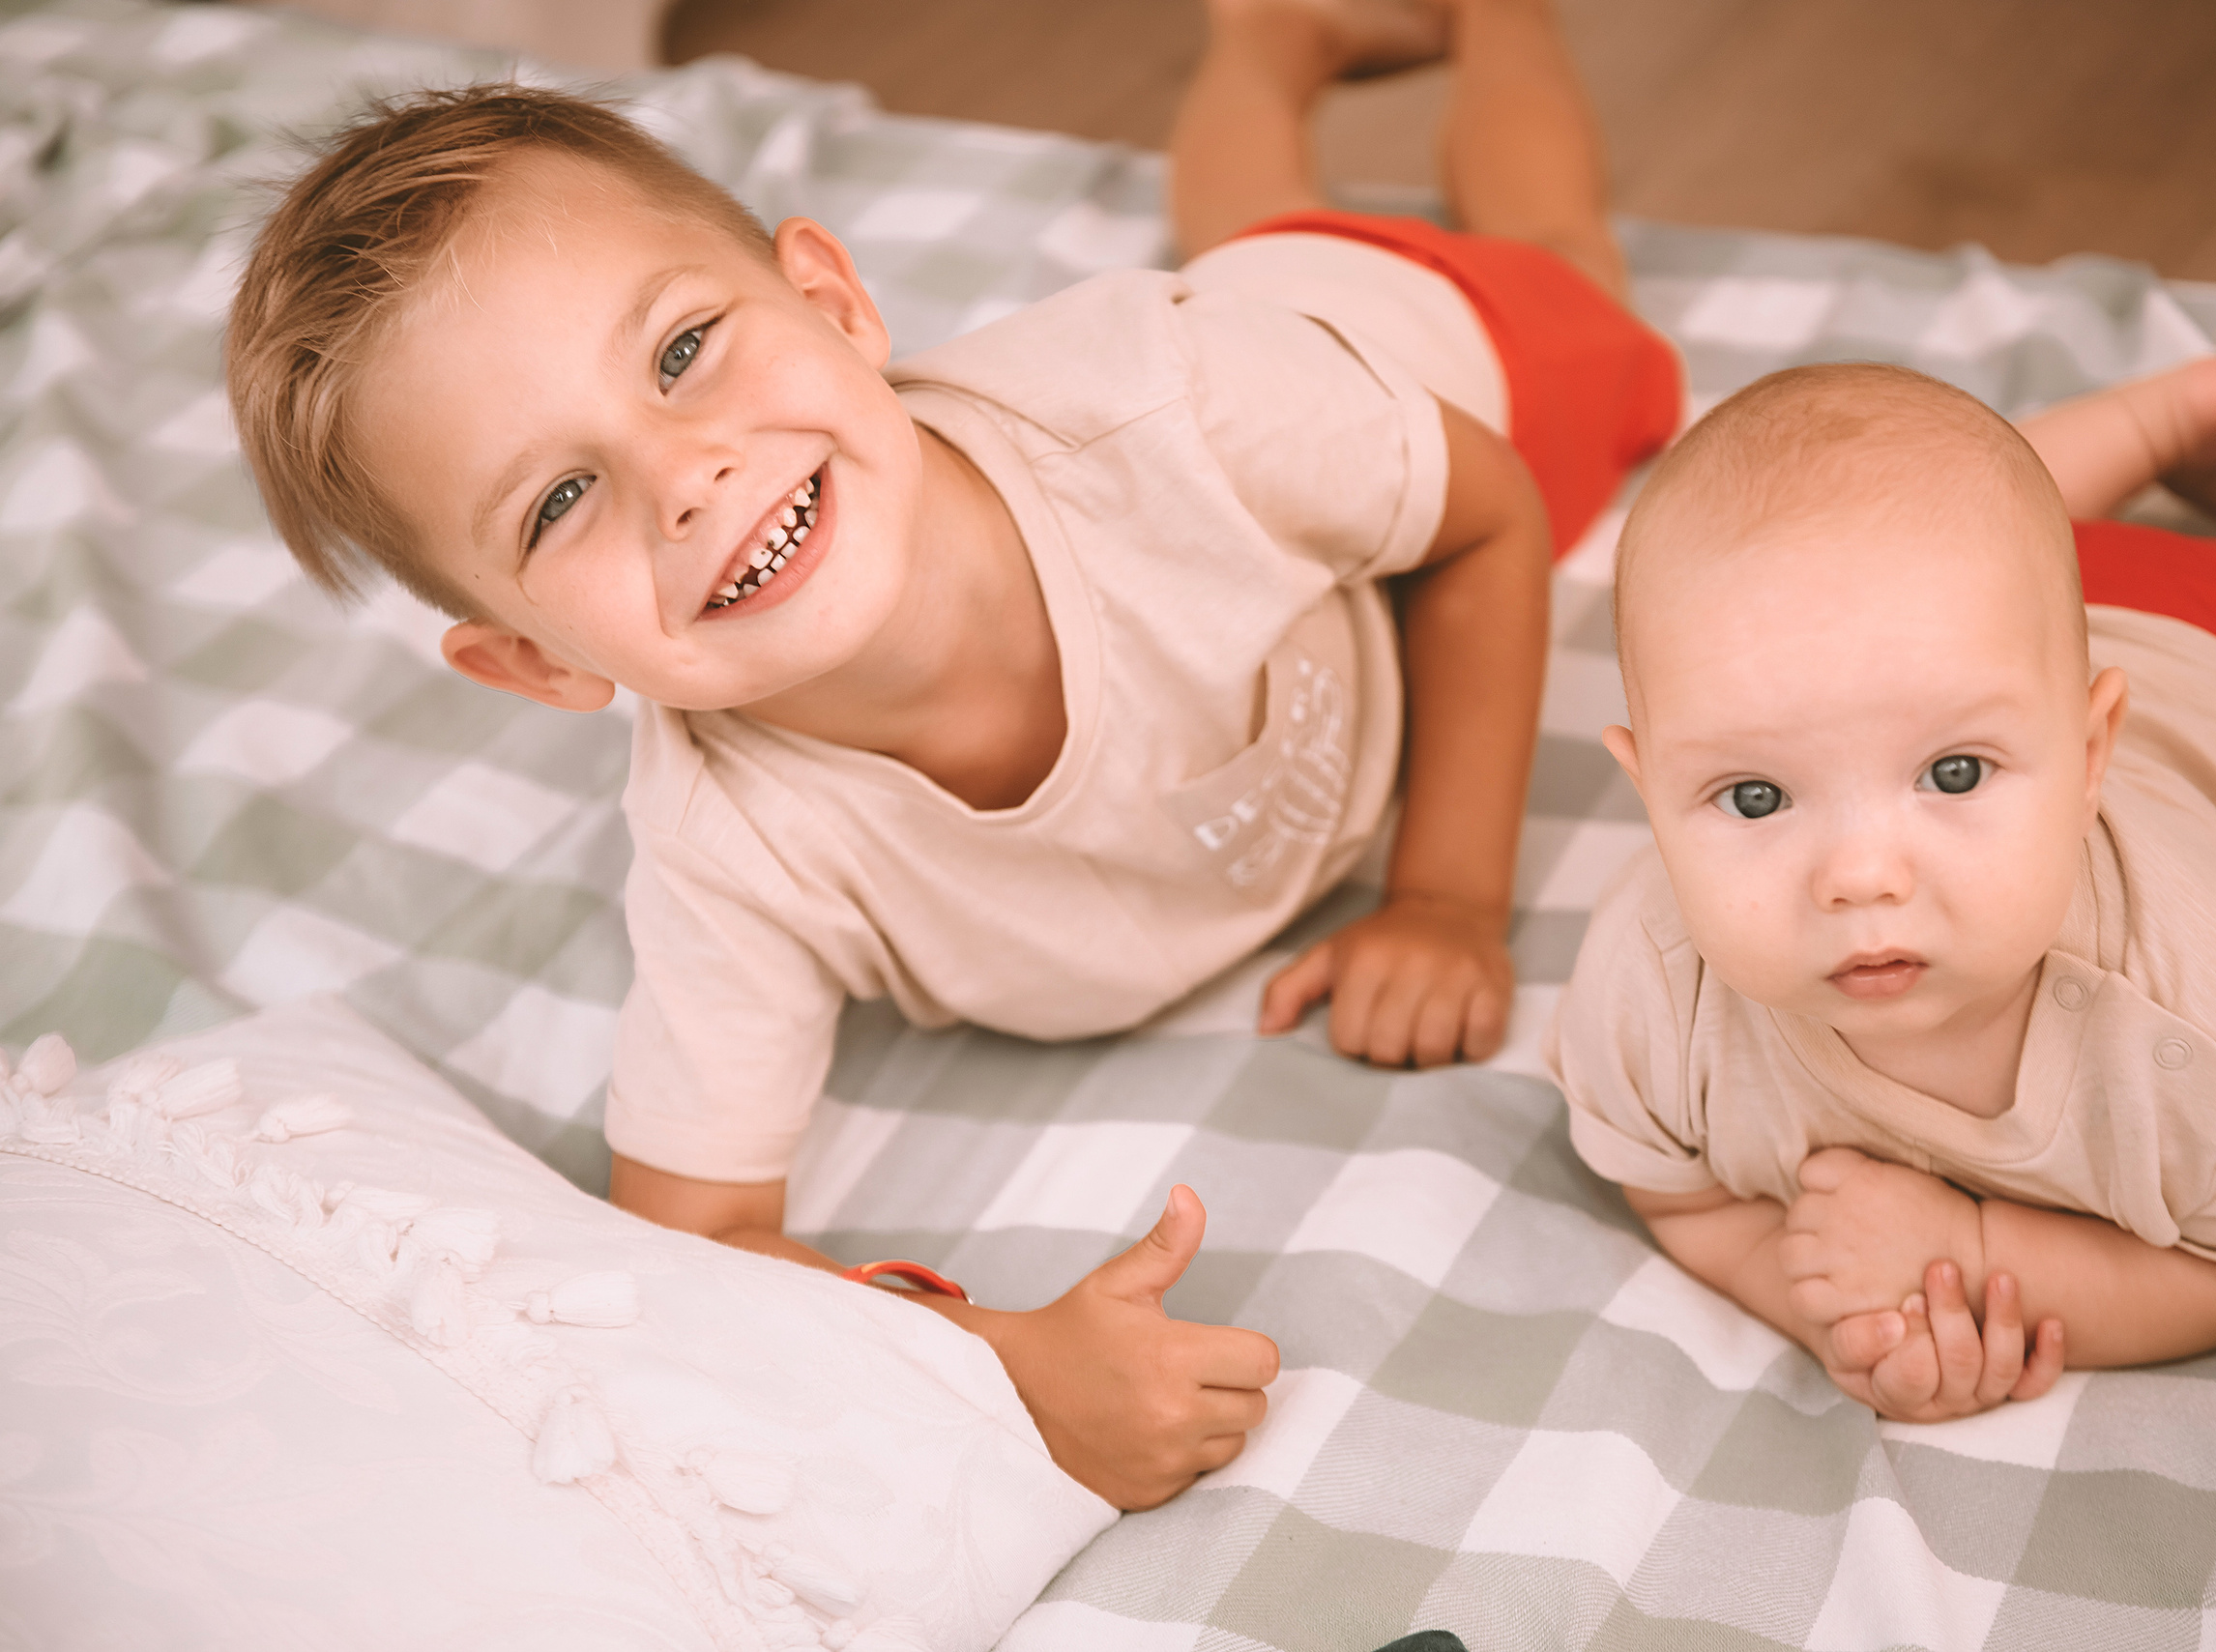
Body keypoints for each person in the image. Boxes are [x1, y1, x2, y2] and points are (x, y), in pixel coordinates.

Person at [224, 0, 1680, 1505]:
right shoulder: (738, 849)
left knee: (1545, 253)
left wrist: (1444, 893)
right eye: (556, 503)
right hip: (1238, 312)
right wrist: (995, 1364)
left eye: (683, 350)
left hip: (1387, 341)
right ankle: (1268, 54)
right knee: (1243, 239)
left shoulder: (1186, 410)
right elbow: (695, 1233)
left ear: (836, 303)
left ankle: (1464, 24)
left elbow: (1487, 513)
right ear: (533, 660)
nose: (684, 475)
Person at [1549, 312, 2216, 1423]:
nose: (1861, 875)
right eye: (1755, 796)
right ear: (1650, 795)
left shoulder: (2203, 1017)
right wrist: (1829, 1308)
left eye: (1952, 777)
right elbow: (1678, 1193)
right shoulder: (1649, 987)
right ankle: (2147, 431)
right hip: (1961, 621)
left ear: (2091, 759)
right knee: (1920, 507)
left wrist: (1976, 1249)